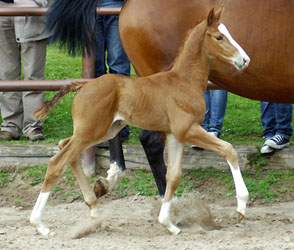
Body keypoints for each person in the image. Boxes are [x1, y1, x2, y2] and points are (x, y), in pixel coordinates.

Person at [82, 0, 130, 177]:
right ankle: (99, 125)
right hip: (88, 5)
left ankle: (121, 124)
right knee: (95, 68)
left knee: (118, 67)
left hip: (115, 3)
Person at [0, 0, 51, 141]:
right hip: (3, 6)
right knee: (6, 72)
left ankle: (33, 126)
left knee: (34, 72)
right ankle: (10, 125)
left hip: (31, 5)